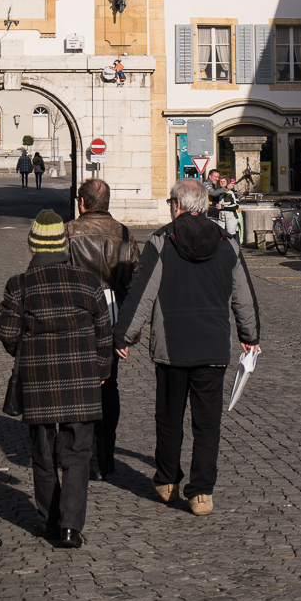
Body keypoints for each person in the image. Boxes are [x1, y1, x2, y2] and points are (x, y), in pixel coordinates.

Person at [114, 177, 260, 517]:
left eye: (171, 203)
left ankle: (167, 483)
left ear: (177, 205)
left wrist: (124, 334)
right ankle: (201, 493)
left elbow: (143, 291)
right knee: (207, 424)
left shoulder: (162, 240)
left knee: (169, 419)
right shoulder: (228, 242)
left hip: (172, 345)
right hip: (212, 346)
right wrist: (250, 335)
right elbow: (243, 295)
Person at [0, 209, 111, 549]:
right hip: (81, 379)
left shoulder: (19, 284)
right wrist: (101, 371)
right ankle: (71, 526)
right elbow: (105, 332)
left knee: (43, 454)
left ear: (33, 245)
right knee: (78, 453)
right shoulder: (88, 282)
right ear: (64, 244)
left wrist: (26, 351)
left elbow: (7, 332)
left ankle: (48, 520)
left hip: (38, 379)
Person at [66, 178, 141, 478]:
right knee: (109, 386)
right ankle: (105, 457)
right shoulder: (123, 234)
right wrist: (131, 325)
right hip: (111, 318)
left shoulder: (68, 232)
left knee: (77, 388)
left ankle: (82, 457)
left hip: (76, 318)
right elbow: (136, 282)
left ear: (82, 203)